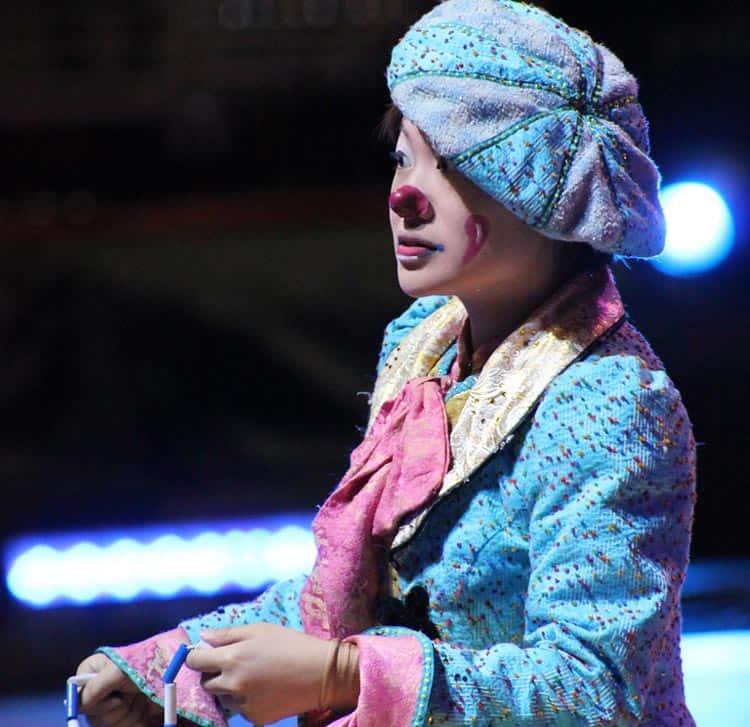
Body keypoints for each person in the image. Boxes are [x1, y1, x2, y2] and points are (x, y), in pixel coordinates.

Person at [76, 1, 697, 725]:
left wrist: (345, 675)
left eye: (454, 165)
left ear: (548, 191)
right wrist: (170, 666)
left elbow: (597, 692)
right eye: (404, 158)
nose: (404, 195)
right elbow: (360, 592)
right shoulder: (425, 350)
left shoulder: (610, 402)